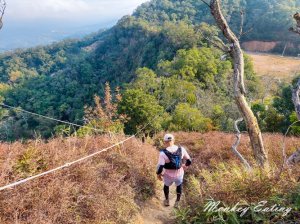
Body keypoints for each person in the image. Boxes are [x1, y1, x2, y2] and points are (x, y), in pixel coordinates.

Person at [156, 133, 192, 208]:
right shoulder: (181, 149)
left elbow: (160, 167)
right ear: (174, 140)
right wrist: (185, 166)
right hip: (179, 174)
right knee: (179, 186)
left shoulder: (162, 153)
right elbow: (189, 161)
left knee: (166, 186)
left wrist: (158, 174)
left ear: (164, 141)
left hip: (168, 175)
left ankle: (166, 200)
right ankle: (177, 202)